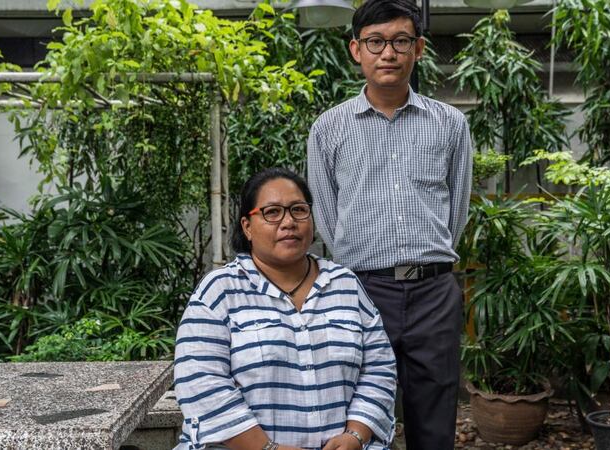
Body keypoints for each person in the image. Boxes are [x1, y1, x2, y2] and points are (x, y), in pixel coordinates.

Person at [306, 0, 474, 448]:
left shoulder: (450, 123)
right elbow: (325, 213)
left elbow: (456, 211)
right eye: (376, 42)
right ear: (355, 50)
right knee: (353, 412)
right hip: (361, 289)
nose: (388, 53)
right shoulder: (328, 128)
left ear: (418, 49)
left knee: (434, 416)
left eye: (400, 41)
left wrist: (428, 263)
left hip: (434, 293)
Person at [174, 168, 397, 450]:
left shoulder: (345, 285)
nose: (288, 222)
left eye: (298, 210)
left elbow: (379, 367)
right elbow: (200, 380)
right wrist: (267, 449)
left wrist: (355, 434)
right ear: (247, 226)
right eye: (272, 212)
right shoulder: (219, 291)